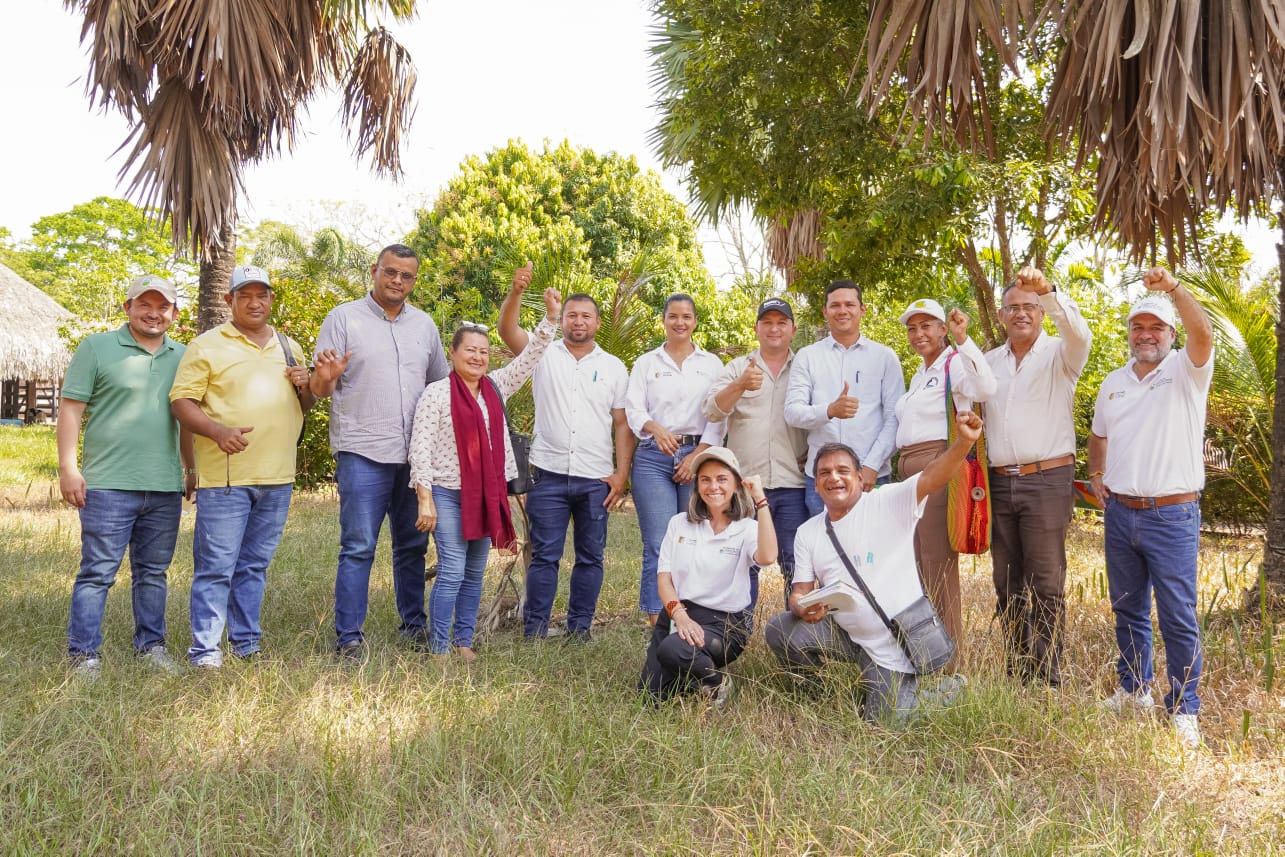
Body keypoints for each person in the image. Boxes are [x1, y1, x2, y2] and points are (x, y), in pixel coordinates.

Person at [312, 246, 524, 657]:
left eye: (406, 276)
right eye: (390, 272)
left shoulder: (424, 326)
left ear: (414, 280)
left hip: (416, 462)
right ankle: (349, 638)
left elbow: (447, 390)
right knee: (358, 546)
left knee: (411, 546)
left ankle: (414, 626)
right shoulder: (343, 318)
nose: (397, 281)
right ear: (374, 271)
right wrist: (324, 379)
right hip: (363, 451)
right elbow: (320, 388)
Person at [764, 415, 983, 724]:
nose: (834, 478)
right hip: (846, 634)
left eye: (843, 471)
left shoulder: (887, 502)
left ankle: (946, 690)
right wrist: (802, 608)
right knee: (780, 629)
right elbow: (799, 591)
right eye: (825, 472)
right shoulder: (809, 532)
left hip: (894, 644)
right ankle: (817, 690)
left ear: (859, 477)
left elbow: (932, 476)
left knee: (884, 724)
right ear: (816, 484)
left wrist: (964, 442)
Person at [1088, 268, 1214, 748]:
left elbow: (1202, 332)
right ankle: (1134, 688)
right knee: (1128, 609)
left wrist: (1174, 290)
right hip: (1121, 513)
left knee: (1178, 616)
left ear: (1171, 334)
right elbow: (1099, 435)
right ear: (1129, 334)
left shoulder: (1187, 370)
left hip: (1172, 516)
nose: (1146, 335)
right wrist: (1097, 475)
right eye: (1138, 327)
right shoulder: (1113, 383)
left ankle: (1185, 708)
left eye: (1156, 327)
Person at [170, 265, 314, 668]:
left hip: (278, 476)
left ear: (270, 299)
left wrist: (309, 386)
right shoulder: (207, 346)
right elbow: (182, 402)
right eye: (245, 295)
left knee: (254, 566)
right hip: (227, 477)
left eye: (262, 295)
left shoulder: (289, 346)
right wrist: (216, 431)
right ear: (228, 300)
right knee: (216, 568)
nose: (255, 302)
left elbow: (304, 407)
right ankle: (205, 651)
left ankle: (246, 643)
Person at [408, 288, 561, 660]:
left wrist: (551, 320)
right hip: (447, 493)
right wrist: (425, 498)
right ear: (453, 353)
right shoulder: (437, 393)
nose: (478, 357)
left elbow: (530, 358)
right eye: (470, 350)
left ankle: (463, 641)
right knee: (452, 570)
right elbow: (421, 448)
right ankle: (440, 646)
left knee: (475, 571)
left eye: (483, 351)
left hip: (485, 495)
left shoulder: (495, 387)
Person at [58, 275, 194, 677]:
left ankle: (151, 647)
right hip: (107, 484)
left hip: (164, 485)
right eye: (144, 304)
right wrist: (68, 467)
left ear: (175, 313)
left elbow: (186, 420)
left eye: (163, 306)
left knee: (153, 573)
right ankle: (83, 654)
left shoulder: (185, 356)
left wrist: (190, 470)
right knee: (97, 572)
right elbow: (70, 410)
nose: (154, 313)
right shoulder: (96, 348)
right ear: (127, 307)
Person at [497, 281, 635, 641]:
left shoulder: (615, 367)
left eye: (585, 316)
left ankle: (580, 629)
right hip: (548, 474)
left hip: (596, 479)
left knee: (591, 557)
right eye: (571, 315)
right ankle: (535, 629)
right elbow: (507, 331)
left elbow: (622, 423)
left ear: (597, 322)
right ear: (563, 320)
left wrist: (622, 474)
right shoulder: (542, 352)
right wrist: (518, 294)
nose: (578, 321)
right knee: (545, 556)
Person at [982, 265, 1091, 688]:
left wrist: (1049, 292)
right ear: (1001, 314)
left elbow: (1080, 333)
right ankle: (1017, 669)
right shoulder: (990, 363)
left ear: (1042, 313)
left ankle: (1046, 676)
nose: (1021, 313)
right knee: (1006, 581)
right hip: (998, 482)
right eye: (1013, 307)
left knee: (1045, 582)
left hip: (1047, 479)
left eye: (1030, 307)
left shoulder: (1061, 355)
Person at [893, 298, 995, 669]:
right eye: (912, 328)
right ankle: (927, 655)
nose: (919, 334)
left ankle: (951, 664)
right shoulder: (920, 373)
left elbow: (985, 387)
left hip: (936, 464)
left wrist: (963, 338)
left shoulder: (954, 364)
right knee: (919, 565)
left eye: (927, 326)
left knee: (937, 566)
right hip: (909, 470)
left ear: (941, 329)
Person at [640, 447, 776, 708]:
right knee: (652, 697)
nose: (713, 486)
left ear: (736, 484)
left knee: (673, 650)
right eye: (705, 479)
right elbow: (664, 579)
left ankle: (717, 684)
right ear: (697, 484)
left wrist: (761, 501)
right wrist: (679, 616)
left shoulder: (747, 528)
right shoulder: (679, 523)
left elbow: (768, 557)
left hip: (723, 624)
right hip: (678, 613)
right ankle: (692, 677)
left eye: (722, 479)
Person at [703, 297, 809, 609]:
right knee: (742, 562)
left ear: (793, 329)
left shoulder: (805, 367)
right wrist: (739, 385)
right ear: (756, 328)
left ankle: (797, 637)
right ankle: (737, 634)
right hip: (746, 486)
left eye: (781, 323)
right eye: (767, 322)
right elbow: (711, 411)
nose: (774, 329)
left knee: (796, 563)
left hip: (793, 483)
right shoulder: (738, 367)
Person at [626, 293, 724, 624]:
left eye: (686, 316)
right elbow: (633, 409)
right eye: (672, 316)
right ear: (664, 320)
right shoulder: (647, 363)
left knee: (692, 538)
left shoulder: (711, 364)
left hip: (699, 458)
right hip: (654, 456)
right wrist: (654, 428)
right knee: (658, 541)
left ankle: (690, 613)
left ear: (695, 321)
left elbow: (719, 414)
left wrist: (697, 456)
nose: (679, 322)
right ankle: (657, 617)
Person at [785, 279, 905, 517]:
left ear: (862, 309)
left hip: (871, 476)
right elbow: (792, 412)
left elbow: (895, 418)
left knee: (873, 549)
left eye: (849, 304)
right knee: (825, 549)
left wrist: (870, 466)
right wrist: (829, 410)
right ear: (825, 311)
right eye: (835, 305)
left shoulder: (884, 357)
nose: (842, 310)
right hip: (822, 478)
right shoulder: (808, 356)